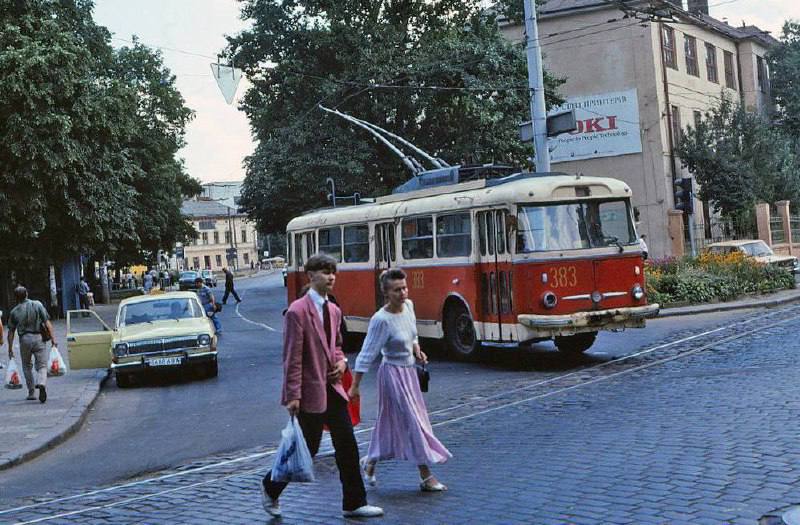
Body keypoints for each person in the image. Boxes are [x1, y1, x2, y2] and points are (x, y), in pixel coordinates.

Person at [260, 254, 383, 519]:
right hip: (309, 392)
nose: (331, 277)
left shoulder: (334, 310)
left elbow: (336, 345)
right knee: (308, 447)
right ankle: (270, 487)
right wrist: (293, 395)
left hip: (333, 388)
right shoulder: (297, 311)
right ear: (310, 275)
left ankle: (354, 503)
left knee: (347, 444)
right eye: (325, 272)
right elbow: (292, 357)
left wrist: (342, 362)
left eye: (333, 272)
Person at [348, 268, 451, 492]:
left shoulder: (409, 306)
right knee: (412, 421)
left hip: (409, 373)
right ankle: (426, 476)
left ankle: (370, 460)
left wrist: (417, 350)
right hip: (392, 375)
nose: (403, 293)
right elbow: (366, 354)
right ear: (386, 293)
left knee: (391, 421)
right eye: (397, 290)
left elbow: (412, 333)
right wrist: (355, 386)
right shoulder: (381, 320)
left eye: (404, 288)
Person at [7, 286, 55, 403]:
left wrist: (10, 348)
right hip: (39, 338)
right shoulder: (37, 304)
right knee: (42, 365)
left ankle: (31, 392)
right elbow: (47, 323)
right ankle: (42, 382)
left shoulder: (14, 312)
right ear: (27, 294)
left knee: (26, 366)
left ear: (16, 298)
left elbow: (11, 332)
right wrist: (53, 339)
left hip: (24, 340)